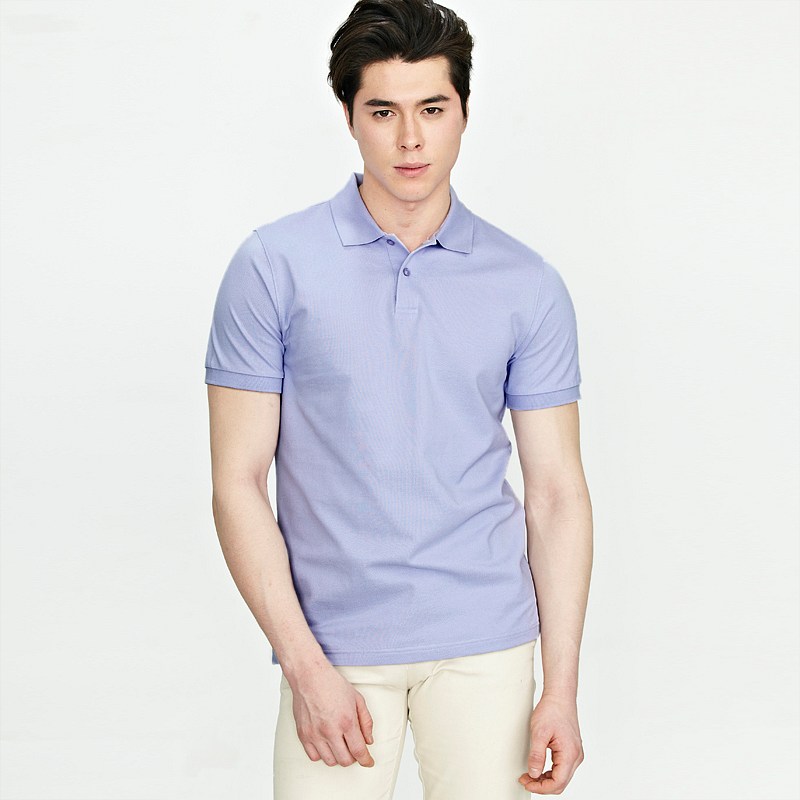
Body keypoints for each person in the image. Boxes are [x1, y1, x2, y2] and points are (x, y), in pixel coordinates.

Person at [204, 0, 593, 796]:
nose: (410, 138)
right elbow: (236, 482)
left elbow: (556, 493)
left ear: (464, 113)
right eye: (383, 111)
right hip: (334, 649)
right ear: (350, 116)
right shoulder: (273, 266)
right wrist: (304, 667)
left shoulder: (527, 283)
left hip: (487, 643)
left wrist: (560, 688)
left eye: (432, 109)